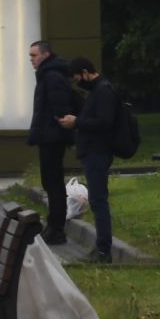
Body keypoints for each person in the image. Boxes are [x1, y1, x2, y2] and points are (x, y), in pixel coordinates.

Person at [62, 57, 117, 263]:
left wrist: (77, 121)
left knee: (98, 201)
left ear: (86, 72)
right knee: (96, 200)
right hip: (93, 152)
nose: (78, 83)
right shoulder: (98, 91)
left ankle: (104, 250)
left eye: (78, 78)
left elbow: (104, 122)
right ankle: (102, 249)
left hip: (98, 152)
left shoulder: (103, 91)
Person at [27, 40, 75, 246]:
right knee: (50, 182)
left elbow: (59, 106)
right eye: (30, 56)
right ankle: (54, 226)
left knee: (53, 183)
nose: (31, 60)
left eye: (34, 55)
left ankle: (56, 228)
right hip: (49, 134)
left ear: (45, 55)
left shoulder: (52, 76)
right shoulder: (48, 75)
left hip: (52, 136)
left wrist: (55, 126)